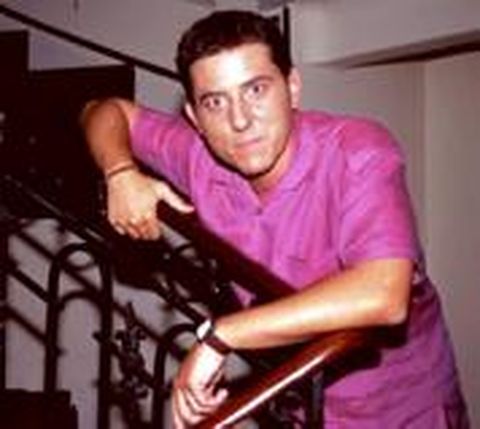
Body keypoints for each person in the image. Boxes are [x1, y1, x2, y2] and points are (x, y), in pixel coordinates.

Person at [81, 10, 469, 429]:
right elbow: (101, 110)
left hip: (406, 410)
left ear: (292, 88)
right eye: (215, 102)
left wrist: (221, 336)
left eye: (256, 89)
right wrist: (120, 172)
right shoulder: (199, 157)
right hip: (297, 398)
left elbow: (383, 294)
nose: (240, 120)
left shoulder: (357, 151)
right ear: (195, 118)